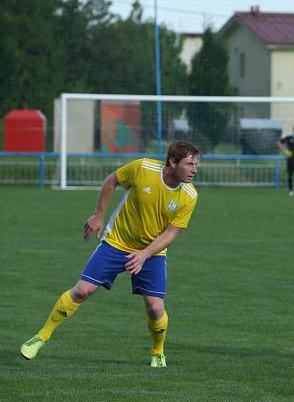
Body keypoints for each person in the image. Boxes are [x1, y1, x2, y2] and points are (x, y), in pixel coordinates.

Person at [19, 141, 200, 368]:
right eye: (189, 164)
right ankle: (41, 337)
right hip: (117, 241)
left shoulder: (190, 195)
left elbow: (172, 233)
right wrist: (98, 215)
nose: (194, 169)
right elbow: (112, 180)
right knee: (83, 290)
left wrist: (144, 254)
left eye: (196, 164)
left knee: (155, 308)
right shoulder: (143, 168)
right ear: (172, 162)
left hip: (152, 252)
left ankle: (158, 351)